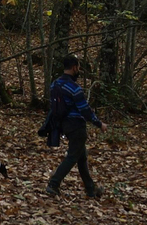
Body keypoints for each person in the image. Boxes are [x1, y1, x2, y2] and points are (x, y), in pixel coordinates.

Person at [43, 55, 104, 198]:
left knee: (81, 158)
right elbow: (84, 109)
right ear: (74, 67)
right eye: (79, 67)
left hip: (64, 126)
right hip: (77, 126)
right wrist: (99, 123)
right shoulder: (74, 87)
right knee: (72, 157)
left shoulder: (54, 84)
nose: (79, 70)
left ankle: (91, 190)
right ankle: (53, 184)